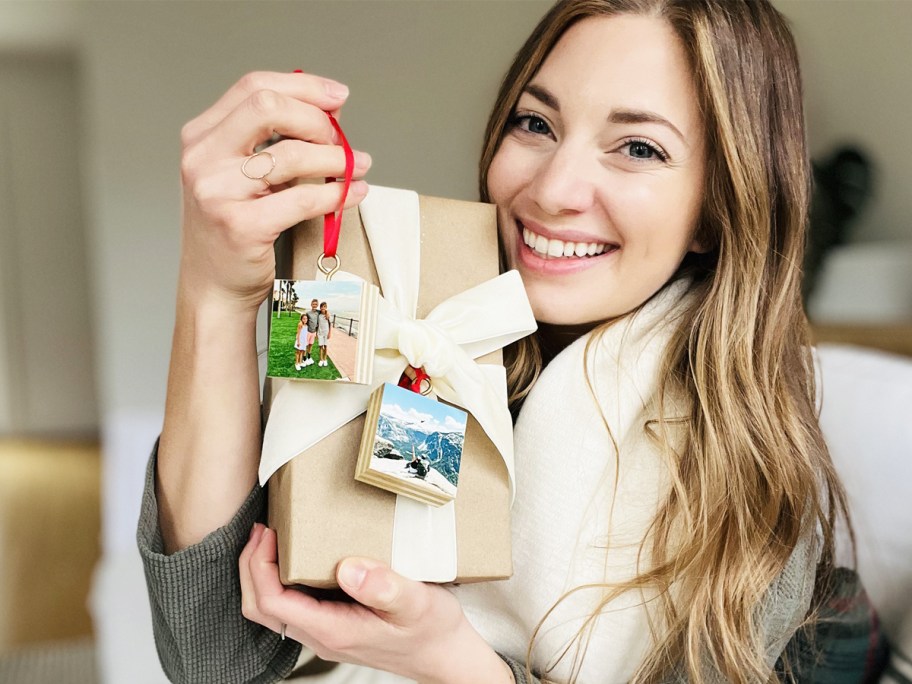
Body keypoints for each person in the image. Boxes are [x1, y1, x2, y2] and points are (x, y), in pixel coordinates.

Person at [139, 1, 861, 682]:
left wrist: (454, 661)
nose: (554, 189)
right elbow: (213, 661)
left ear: (717, 205)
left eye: (638, 147)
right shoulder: (419, 337)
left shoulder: (750, 493)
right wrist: (216, 290)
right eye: (536, 124)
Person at [302, 298, 321, 367]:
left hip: (314, 332)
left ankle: (309, 357)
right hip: (308, 332)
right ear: (311, 304)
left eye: (316, 304)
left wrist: (317, 333)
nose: (314, 305)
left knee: (311, 345)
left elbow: (325, 312)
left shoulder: (318, 312)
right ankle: (304, 359)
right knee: (305, 345)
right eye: (313, 304)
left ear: (317, 305)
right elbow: (304, 321)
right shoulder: (308, 313)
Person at [317, 301, 332, 368]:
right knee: (320, 347)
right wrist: (316, 333)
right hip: (320, 333)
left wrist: (329, 333)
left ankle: (325, 359)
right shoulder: (319, 315)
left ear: (326, 307)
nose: (323, 308)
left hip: (326, 333)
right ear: (320, 308)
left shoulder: (328, 315)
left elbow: (330, 324)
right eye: (322, 307)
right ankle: (321, 359)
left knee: (325, 346)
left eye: (324, 307)